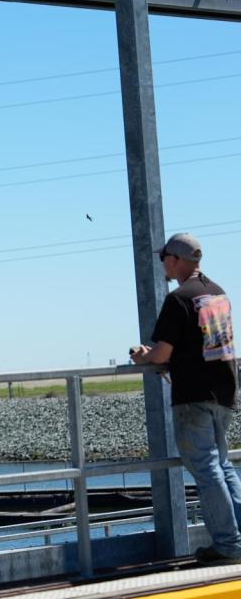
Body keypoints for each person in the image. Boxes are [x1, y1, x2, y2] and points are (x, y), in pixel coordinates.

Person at [131, 233, 240, 564]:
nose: (163, 262)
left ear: (176, 260)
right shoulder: (218, 293)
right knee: (222, 465)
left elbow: (164, 351)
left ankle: (229, 545)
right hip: (224, 389)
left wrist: (142, 356)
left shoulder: (178, 299)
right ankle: (236, 539)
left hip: (193, 393)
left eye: (165, 257)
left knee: (207, 469)